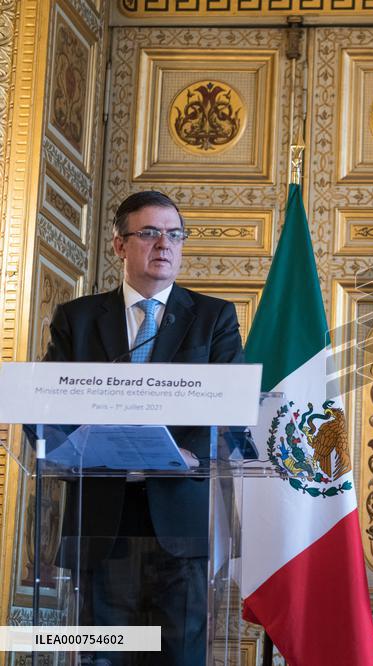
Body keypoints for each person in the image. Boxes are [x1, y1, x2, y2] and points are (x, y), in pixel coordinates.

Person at [43, 190, 244, 665]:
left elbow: (230, 406)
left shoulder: (214, 317)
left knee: (179, 655)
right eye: (149, 233)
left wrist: (193, 453)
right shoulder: (79, 318)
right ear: (119, 245)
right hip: (101, 518)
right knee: (104, 655)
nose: (164, 245)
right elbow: (51, 400)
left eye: (174, 235)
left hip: (180, 517)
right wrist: (72, 442)